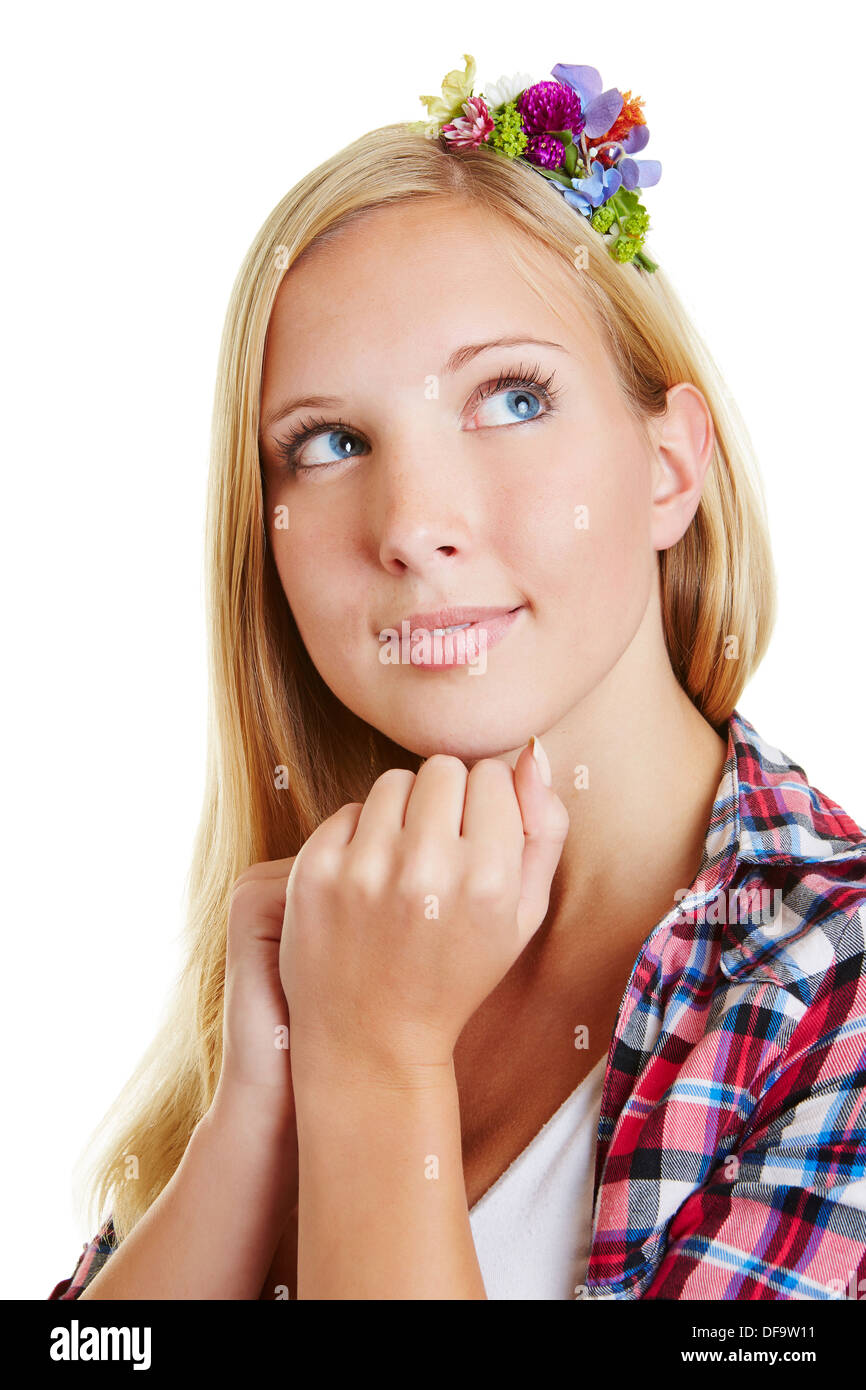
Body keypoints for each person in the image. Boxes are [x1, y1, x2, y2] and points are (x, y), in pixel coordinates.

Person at [49, 58, 866, 1301]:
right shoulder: (331, 936)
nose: (412, 523)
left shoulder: (831, 991)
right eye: (329, 443)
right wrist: (252, 1123)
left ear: (665, 466)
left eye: (511, 398)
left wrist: (378, 1064)